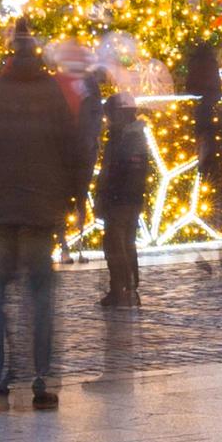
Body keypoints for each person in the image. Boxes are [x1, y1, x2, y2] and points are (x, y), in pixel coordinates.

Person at [0, 22, 86, 409]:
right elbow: (72, 150)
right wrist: (75, 199)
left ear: (11, 53)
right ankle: (42, 380)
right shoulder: (51, 94)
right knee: (40, 297)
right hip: (39, 212)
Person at [96, 76, 149, 311]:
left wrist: (108, 194)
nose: (107, 119)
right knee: (121, 244)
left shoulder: (128, 137)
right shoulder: (125, 136)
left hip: (122, 200)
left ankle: (124, 289)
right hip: (125, 199)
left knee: (118, 245)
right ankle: (122, 288)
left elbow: (120, 170)